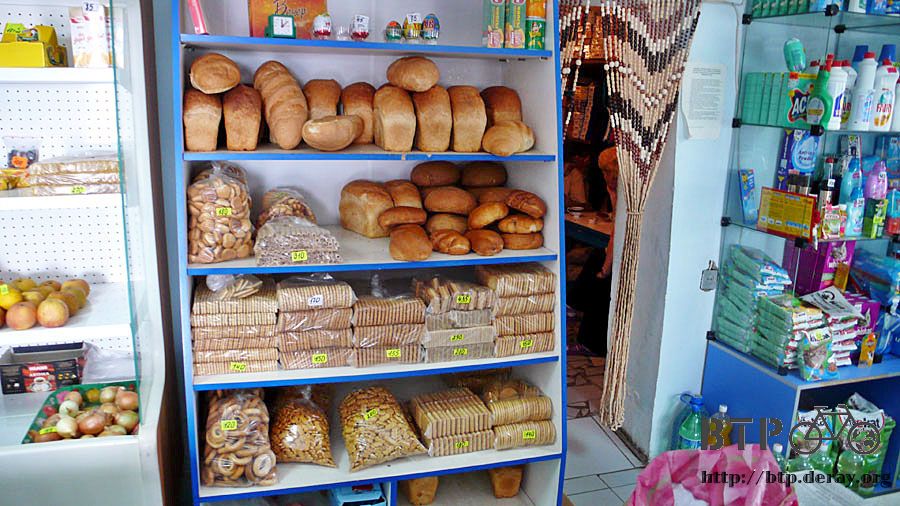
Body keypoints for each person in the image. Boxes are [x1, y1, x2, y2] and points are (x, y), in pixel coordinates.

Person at [572, 146, 618, 357]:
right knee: (596, 257)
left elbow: (617, 234)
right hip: (618, 248)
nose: (604, 176)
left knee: (601, 283)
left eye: (607, 172)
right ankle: (575, 303)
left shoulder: (626, 196)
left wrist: (605, 270)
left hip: (625, 254)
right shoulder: (617, 192)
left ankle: (590, 342)